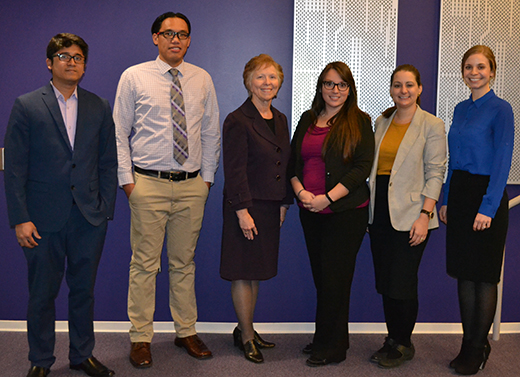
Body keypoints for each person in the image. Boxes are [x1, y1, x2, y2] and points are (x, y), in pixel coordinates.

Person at [3, 33, 117, 377]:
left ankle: (82, 355)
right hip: (41, 220)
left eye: (78, 56)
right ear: (50, 62)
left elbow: (108, 162)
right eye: (64, 55)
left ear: (85, 64)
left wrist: (104, 209)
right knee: (42, 295)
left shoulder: (98, 106)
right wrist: (20, 218)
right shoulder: (27, 105)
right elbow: (15, 167)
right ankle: (40, 360)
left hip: (87, 218)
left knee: (84, 292)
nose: (72, 61)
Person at [114, 12, 220, 368]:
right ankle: (141, 337)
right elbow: (119, 133)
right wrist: (128, 182)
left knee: (183, 263)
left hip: (191, 187)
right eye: (168, 33)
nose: (176, 39)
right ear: (155, 38)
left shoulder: (201, 78)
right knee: (143, 264)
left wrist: (206, 180)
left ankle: (185, 331)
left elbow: (210, 132)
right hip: (147, 185)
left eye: (183, 34)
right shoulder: (134, 76)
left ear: (189, 40)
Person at [289, 61, 375, 367]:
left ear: (349, 89)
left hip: (345, 212)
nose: (334, 90)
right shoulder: (307, 119)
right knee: (322, 278)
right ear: (320, 87)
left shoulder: (359, 121)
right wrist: (301, 194)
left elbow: (361, 168)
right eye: (329, 83)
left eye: (341, 85)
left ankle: (332, 346)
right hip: (309, 211)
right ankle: (329, 336)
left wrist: (327, 198)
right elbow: (293, 165)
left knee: (335, 279)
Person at [439, 45, 514, 376]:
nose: (474, 72)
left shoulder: (501, 109)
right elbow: (453, 160)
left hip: (487, 197)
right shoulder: (459, 108)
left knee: (483, 277)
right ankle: (469, 343)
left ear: (492, 71)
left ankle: (477, 347)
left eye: (481, 67)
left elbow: (502, 160)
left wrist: (489, 206)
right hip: (460, 195)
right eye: (468, 66)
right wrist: (445, 198)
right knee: (463, 274)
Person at [367, 64, 447, 368]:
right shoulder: (382, 122)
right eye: (397, 85)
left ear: (420, 88)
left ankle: (404, 342)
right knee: (386, 279)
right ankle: (392, 338)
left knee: (402, 280)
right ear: (390, 89)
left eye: (409, 85)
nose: (403, 91)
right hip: (381, 212)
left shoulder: (432, 125)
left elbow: (436, 172)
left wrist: (425, 214)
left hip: (413, 213)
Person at [220, 54, 292, 363]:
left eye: (272, 77)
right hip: (245, 205)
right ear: (249, 82)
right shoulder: (237, 120)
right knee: (242, 272)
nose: (267, 82)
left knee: (256, 272)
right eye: (260, 77)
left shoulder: (280, 118)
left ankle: (246, 328)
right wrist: (242, 211)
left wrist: (284, 203)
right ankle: (246, 336)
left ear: (279, 83)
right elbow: (234, 170)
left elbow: (285, 164)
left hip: (269, 206)